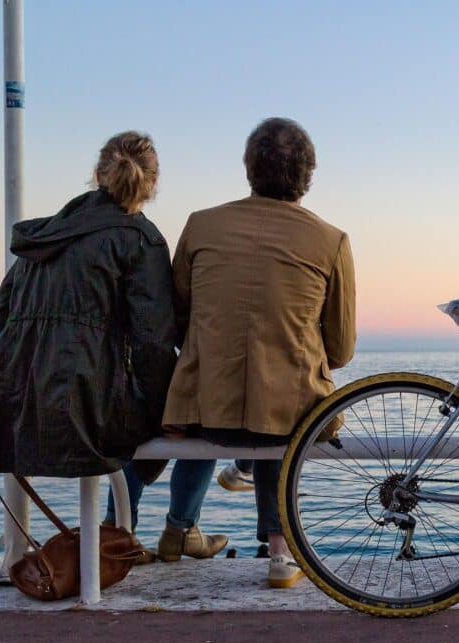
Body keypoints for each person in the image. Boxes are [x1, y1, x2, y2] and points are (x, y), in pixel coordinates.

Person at [143, 117, 356, 584]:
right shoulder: (331, 240)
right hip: (285, 413)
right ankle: (280, 554)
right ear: (308, 173)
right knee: (281, 415)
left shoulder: (201, 226)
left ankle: (177, 530)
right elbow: (340, 349)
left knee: (226, 417)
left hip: (203, 407)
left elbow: (176, 317)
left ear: (248, 169)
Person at [0, 132, 177, 561]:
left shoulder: (44, 236)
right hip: (89, 413)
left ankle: (118, 532)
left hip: (16, 408)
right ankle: (138, 532)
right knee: (189, 417)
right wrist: (168, 412)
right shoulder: (141, 241)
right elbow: (153, 346)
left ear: (98, 174)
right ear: (152, 185)